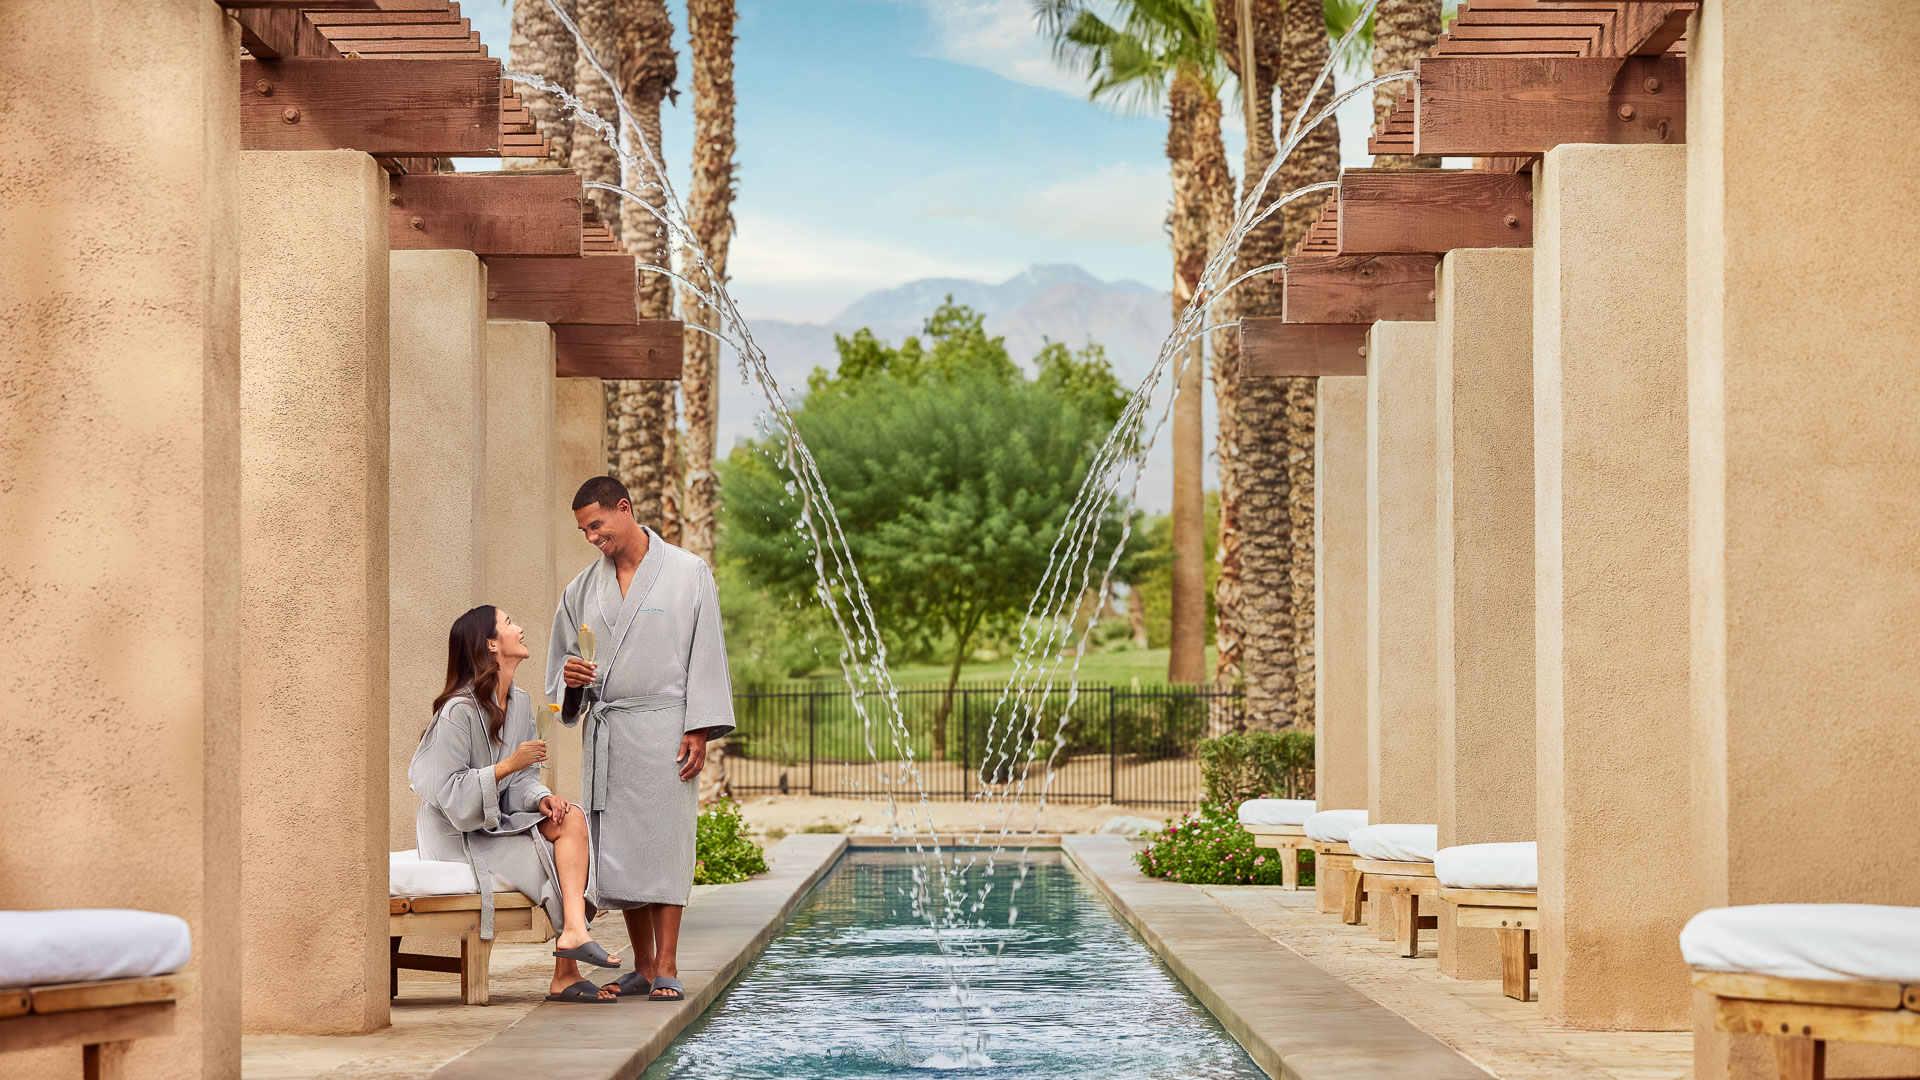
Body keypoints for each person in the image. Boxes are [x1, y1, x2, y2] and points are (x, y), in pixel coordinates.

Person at [547, 476, 736, 1002]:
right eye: (584, 530)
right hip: (609, 731)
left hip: (665, 728)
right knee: (621, 851)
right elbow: (560, 664)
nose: (591, 538)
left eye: (597, 525)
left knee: (666, 843)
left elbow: (707, 652)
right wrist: (570, 680)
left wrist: (698, 727)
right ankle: (644, 966)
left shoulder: (687, 573)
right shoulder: (581, 589)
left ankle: (669, 965)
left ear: (624, 509)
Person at [411, 604, 623, 1004]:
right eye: (510, 623)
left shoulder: (522, 703)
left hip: (494, 823)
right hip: (455, 835)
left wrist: (542, 799)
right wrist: (510, 763)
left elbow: (523, 782)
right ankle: (568, 969)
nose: (520, 628)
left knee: (571, 818)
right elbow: (451, 795)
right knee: (547, 853)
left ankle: (574, 935)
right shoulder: (457, 711)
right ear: (491, 644)